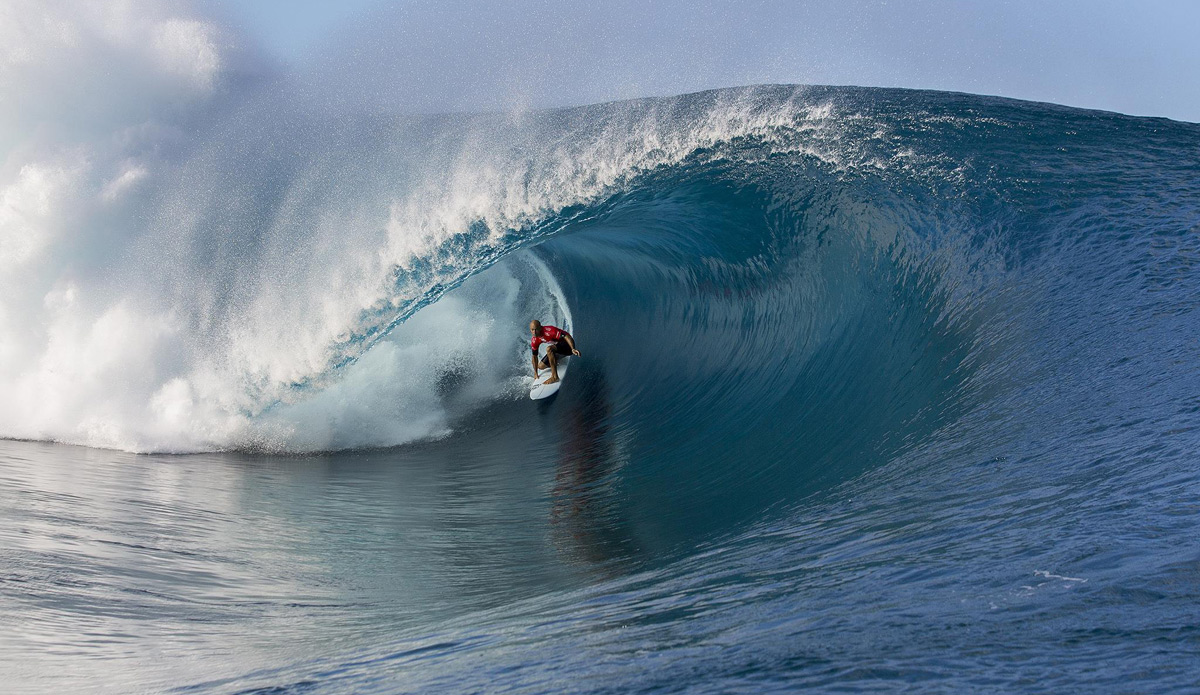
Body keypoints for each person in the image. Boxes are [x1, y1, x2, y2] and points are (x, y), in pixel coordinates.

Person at [530, 320, 580, 385]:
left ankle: (554, 377)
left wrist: (573, 348)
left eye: (536, 330)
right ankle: (555, 362)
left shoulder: (550, 331)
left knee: (549, 349)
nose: (534, 332)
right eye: (532, 330)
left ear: (540, 327)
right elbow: (534, 356)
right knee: (540, 366)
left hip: (567, 346)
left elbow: (566, 336)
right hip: (559, 349)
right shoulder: (535, 339)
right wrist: (535, 373)